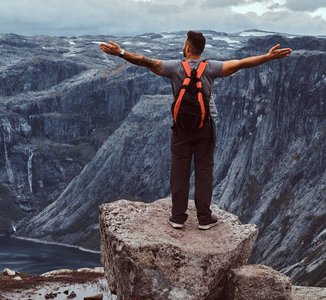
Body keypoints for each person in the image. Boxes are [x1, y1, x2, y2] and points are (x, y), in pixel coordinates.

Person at [100, 31, 292, 230]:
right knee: (203, 171)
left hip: (181, 128)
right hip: (206, 127)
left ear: (188, 48)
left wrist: (121, 52)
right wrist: (268, 57)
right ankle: (204, 219)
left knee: (179, 172)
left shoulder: (174, 68)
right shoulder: (211, 67)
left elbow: (145, 62)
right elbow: (242, 63)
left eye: (185, 44)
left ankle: (177, 217)